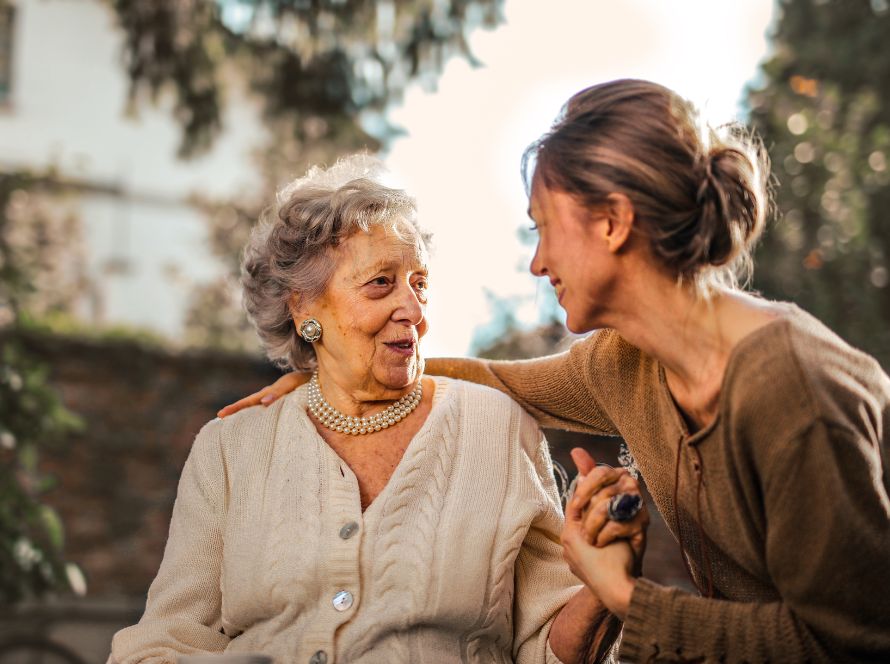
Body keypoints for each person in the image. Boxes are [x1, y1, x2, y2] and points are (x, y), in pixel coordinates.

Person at [223, 80, 890, 663]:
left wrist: (623, 595)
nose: (538, 263)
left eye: (544, 227)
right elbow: (498, 380)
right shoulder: (627, 363)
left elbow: (849, 641)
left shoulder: (790, 390)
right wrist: (339, 375)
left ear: (612, 222)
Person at [109, 156, 649, 664]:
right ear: (304, 307)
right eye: (381, 284)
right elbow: (166, 640)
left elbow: (546, 650)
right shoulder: (231, 448)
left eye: (421, 285)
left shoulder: (497, 428)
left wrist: (604, 587)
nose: (413, 311)